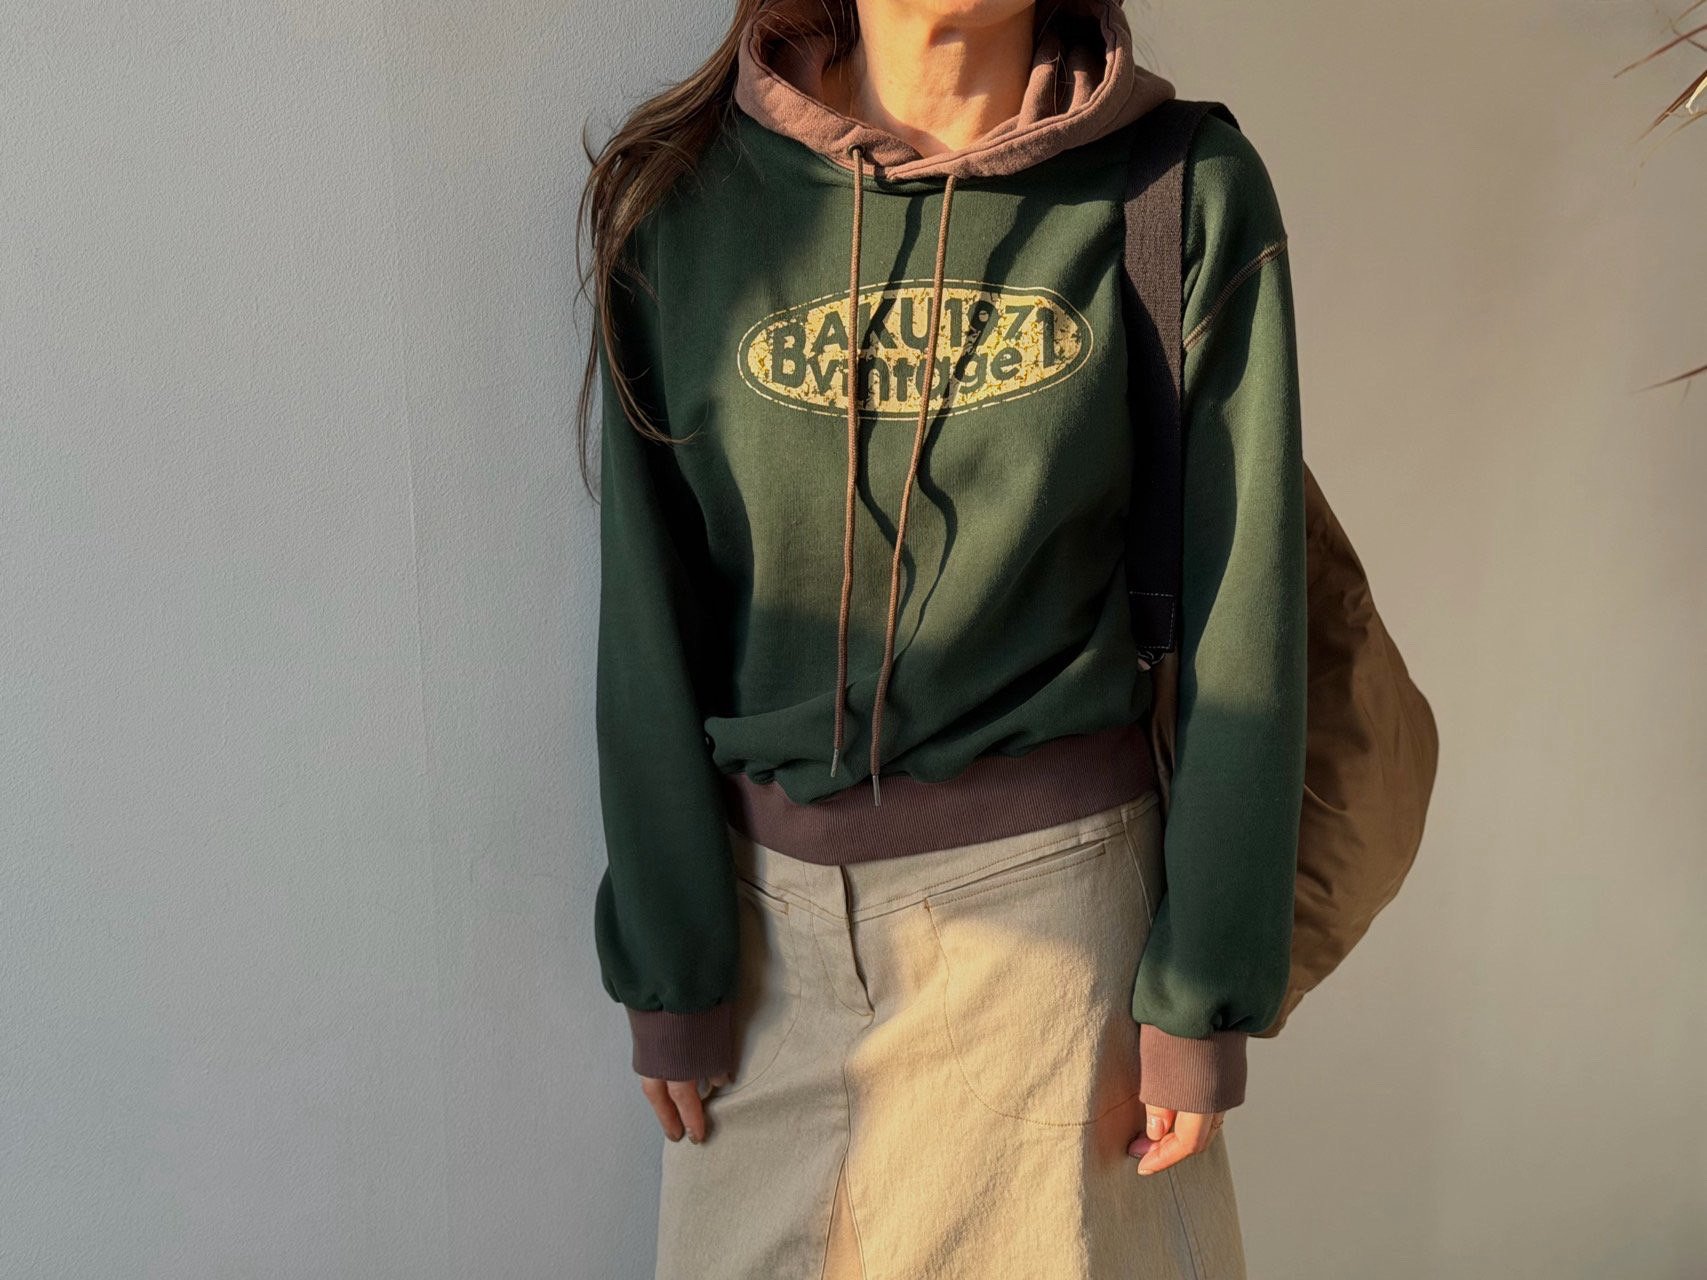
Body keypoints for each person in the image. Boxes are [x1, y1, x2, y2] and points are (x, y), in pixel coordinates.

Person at [576, 0, 1307, 1275]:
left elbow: (1249, 609)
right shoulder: (683, 207)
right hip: (764, 966)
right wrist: (669, 964)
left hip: (1061, 966)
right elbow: (647, 607)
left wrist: (1203, 989)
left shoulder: (1181, 190)